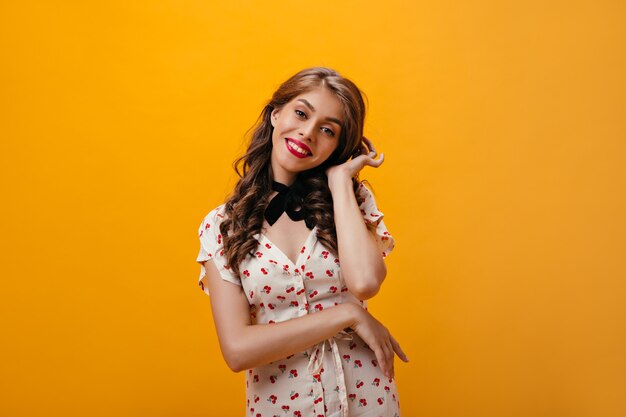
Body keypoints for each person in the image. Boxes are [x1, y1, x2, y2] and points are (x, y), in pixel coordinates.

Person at [195, 67, 408, 417]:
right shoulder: (222, 225)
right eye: (300, 113)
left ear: (338, 145)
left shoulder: (352, 200)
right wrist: (347, 314)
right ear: (275, 113)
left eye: (327, 130)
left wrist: (340, 183)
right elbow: (237, 350)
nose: (308, 133)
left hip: (368, 401)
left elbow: (366, 282)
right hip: (280, 407)